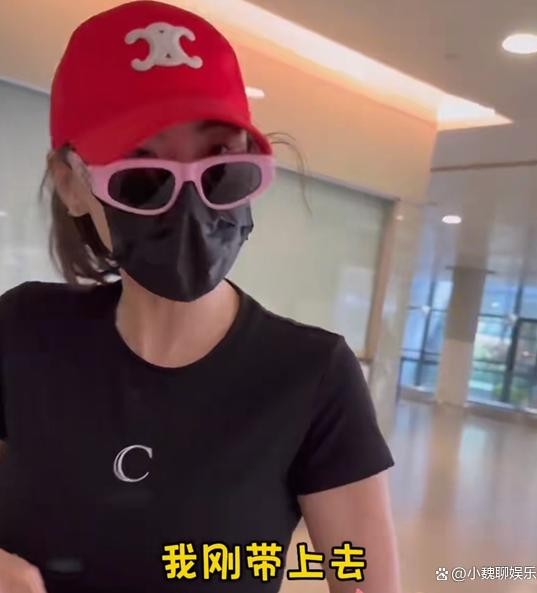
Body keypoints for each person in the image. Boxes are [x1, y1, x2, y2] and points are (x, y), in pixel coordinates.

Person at [0, 2, 400, 592]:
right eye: (143, 177)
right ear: (72, 184)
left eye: (222, 170)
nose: (192, 210)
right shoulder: (23, 331)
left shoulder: (313, 376)